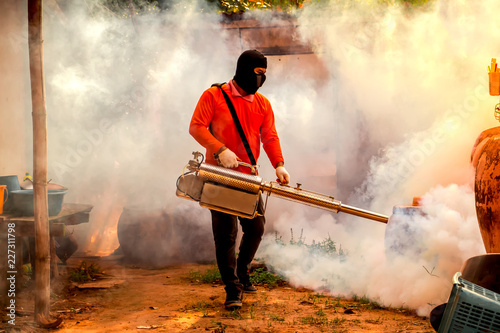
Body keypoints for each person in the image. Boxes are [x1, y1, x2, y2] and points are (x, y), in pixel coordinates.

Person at [189, 49, 290, 309]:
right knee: (226, 236)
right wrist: (220, 150)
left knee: (255, 228)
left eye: (264, 74)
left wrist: (279, 165)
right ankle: (232, 289)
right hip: (219, 176)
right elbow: (196, 127)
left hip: (249, 176)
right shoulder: (213, 95)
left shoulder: (263, 104)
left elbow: (270, 136)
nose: (260, 79)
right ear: (244, 69)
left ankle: (243, 272)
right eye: (257, 73)